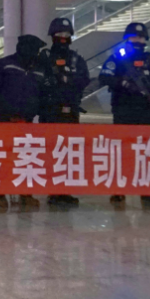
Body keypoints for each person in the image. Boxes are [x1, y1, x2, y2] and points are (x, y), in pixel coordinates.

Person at [99, 22, 150, 208]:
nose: (137, 41)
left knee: (148, 154)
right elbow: (104, 77)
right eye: (133, 37)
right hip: (124, 111)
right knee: (122, 152)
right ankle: (119, 190)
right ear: (127, 39)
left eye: (140, 38)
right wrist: (123, 83)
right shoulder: (118, 58)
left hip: (147, 113)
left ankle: (148, 192)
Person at [0, 34, 47, 210]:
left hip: (27, 120)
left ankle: (26, 194)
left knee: (26, 158)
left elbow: (43, 93)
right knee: (3, 158)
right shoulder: (5, 64)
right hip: (4, 119)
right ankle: (1, 194)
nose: (35, 53)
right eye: (33, 49)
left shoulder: (40, 69)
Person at [39, 17, 89, 207]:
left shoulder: (76, 59)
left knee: (69, 152)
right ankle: (53, 191)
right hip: (50, 111)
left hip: (71, 111)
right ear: (52, 35)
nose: (63, 37)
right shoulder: (44, 57)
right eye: (59, 33)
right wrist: (48, 83)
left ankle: (65, 190)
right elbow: (37, 78)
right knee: (52, 152)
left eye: (66, 34)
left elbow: (84, 79)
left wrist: (69, 83)